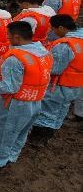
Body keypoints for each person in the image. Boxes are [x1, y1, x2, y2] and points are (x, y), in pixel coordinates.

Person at [0, 21, 53, 175]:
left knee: (2, 131)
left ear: (17, 37)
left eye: (9, 36)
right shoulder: (44, 53)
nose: (7, 39)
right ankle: (9, 157)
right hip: (34, 101)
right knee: (20, 132)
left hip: (14, 104)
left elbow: (9, 87)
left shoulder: (14, 59)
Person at [28, 14, 82, 143]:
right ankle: (51, 132)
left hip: (59, 85)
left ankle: (39, 138)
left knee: (48, 110)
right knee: (62, 109)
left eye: (53, 29)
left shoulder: (64, 45)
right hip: (76, 84)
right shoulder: (79, 40)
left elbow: (55, 68)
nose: (53, 32)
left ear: (62, 28)